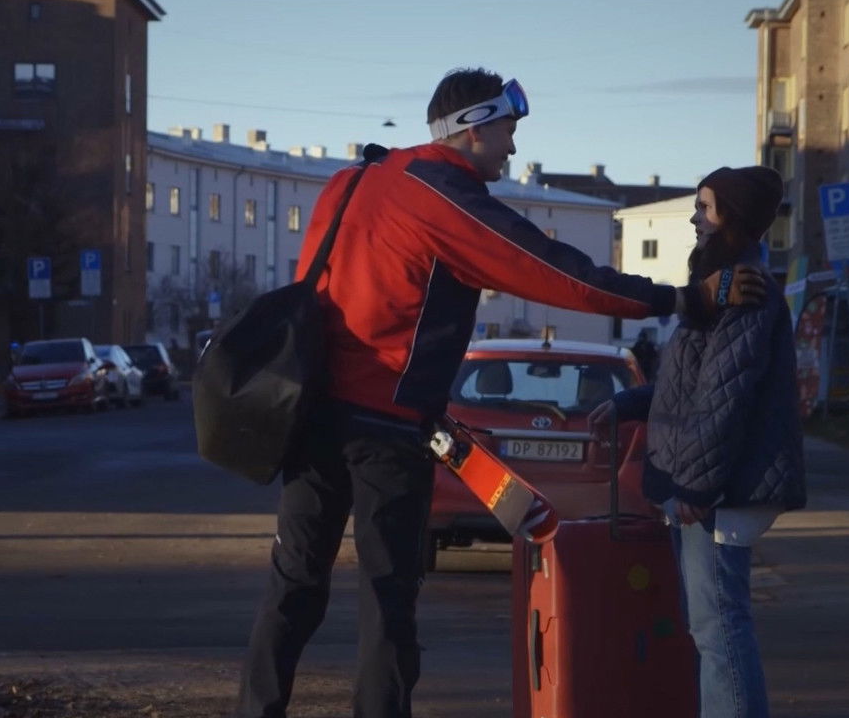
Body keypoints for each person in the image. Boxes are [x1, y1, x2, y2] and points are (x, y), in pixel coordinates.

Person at [235, 69, 768, 718]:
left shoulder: (352, 181)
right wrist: (681, 298)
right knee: (387, 601)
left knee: (293, 585)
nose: (512, 149)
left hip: (312, 416)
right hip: (387, 431)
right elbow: (548, 270)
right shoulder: (440, 196)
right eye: (508, 132)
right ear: (473, 127)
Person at [590, 166, 806, 717]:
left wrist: (695, 484)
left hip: (719, 490)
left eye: (705, 208)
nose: (694, 218)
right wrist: (624, 404)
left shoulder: (745, 290)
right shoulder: (719, 285)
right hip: (705, 484)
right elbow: (683, 385)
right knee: (708, 625)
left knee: (720, 627)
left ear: (731, 218)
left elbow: (723, 397)